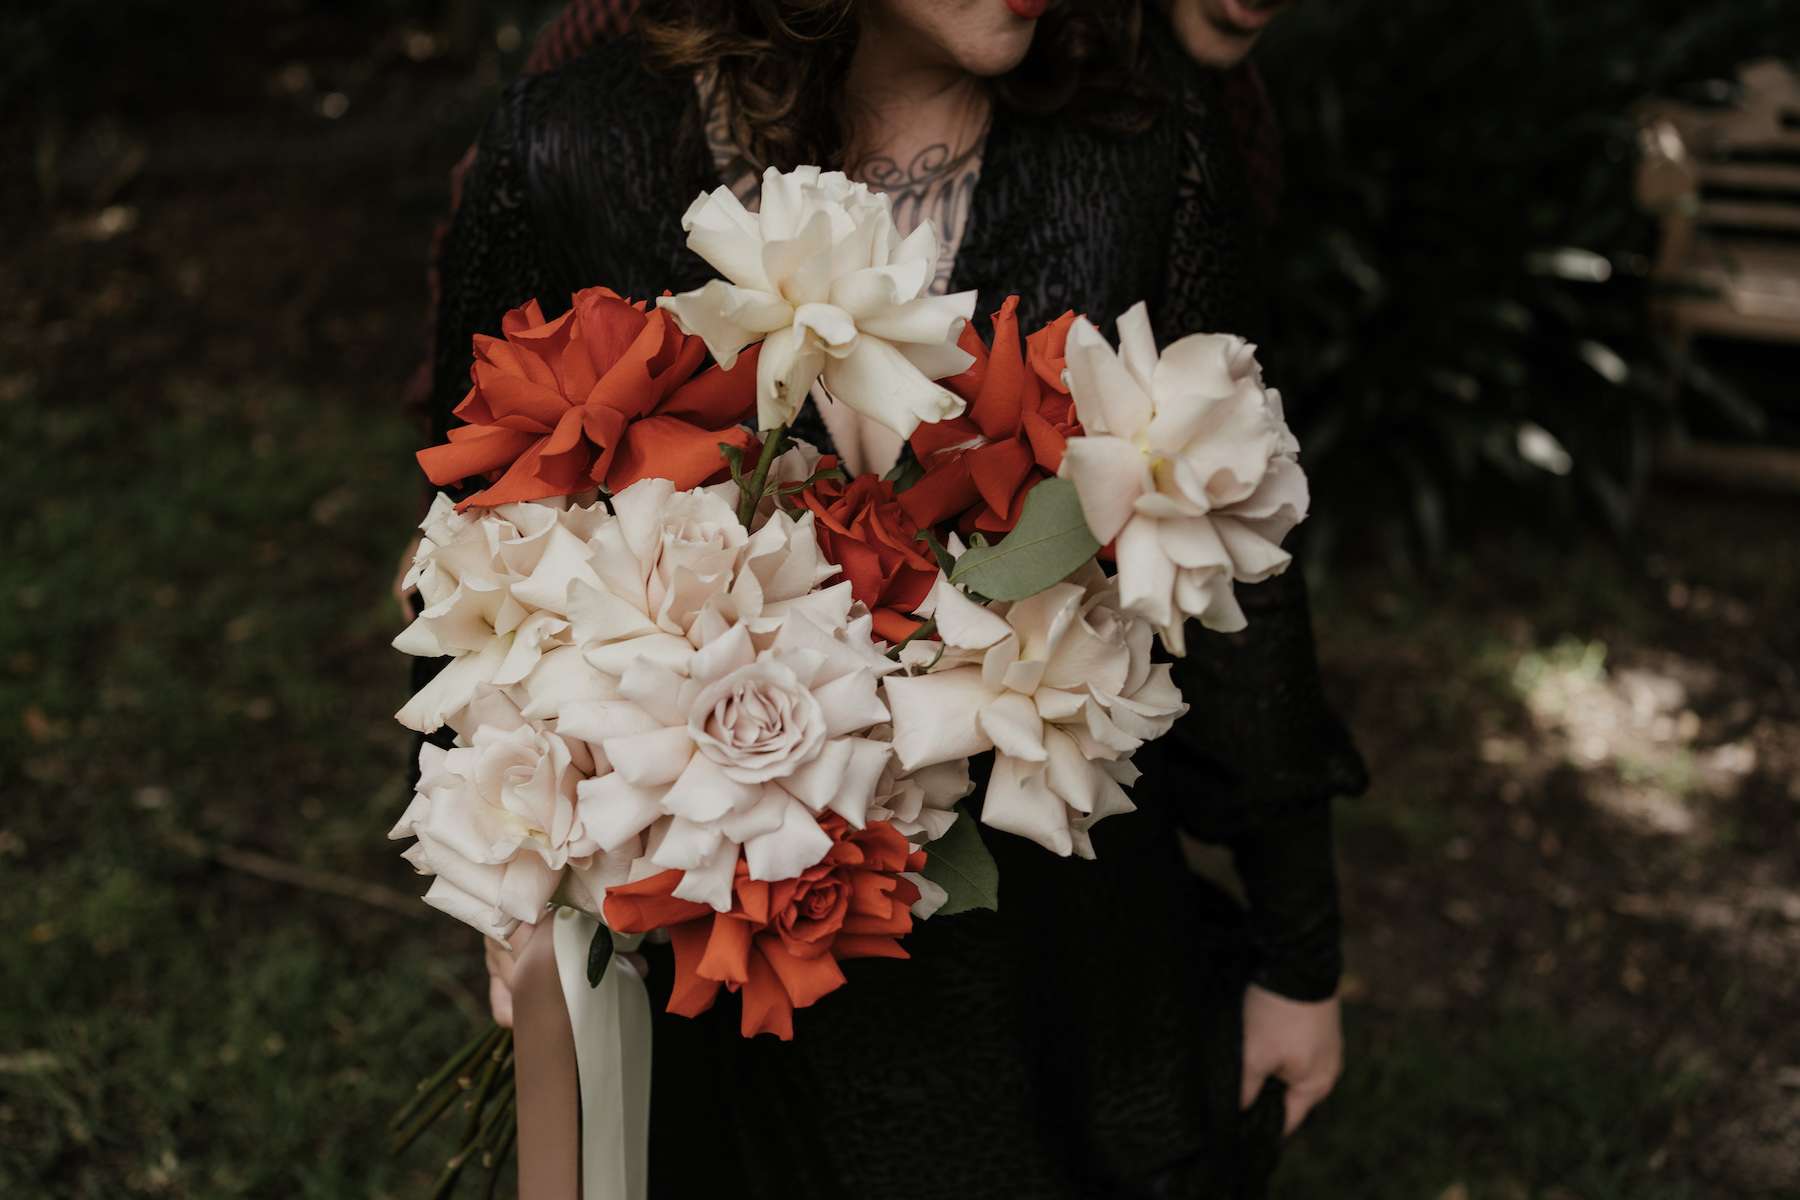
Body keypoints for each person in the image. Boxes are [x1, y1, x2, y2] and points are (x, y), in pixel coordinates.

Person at [428, 1, 1362, 1195]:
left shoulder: (1142, 145)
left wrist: (1298, 955)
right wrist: (509, 881)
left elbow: (1237, 582)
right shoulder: (572, 149)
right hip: (720, 968)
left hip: (1054, 957)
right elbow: (478, 550)